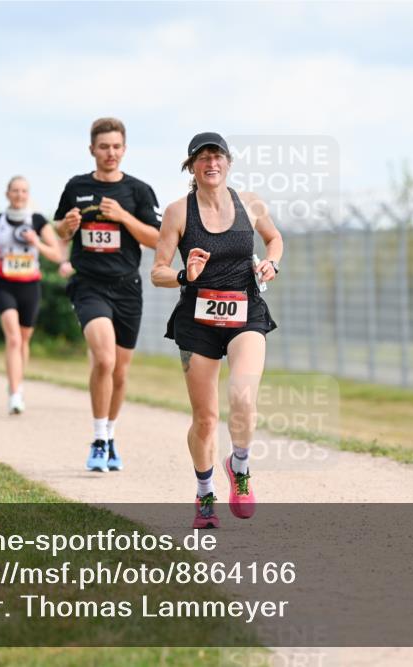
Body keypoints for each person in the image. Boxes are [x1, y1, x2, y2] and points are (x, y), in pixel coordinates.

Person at [151, 132, 282, 528]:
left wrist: (272, 264)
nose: (212, 163)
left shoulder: (251, 202)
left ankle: (239, 468)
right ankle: (204, 494)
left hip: (245, 313)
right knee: (205, 418)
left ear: (228, 162)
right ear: (191, 166)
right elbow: (157, 272)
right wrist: (182, 274)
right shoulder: (178, 212)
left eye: (218, 156)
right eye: (203, 158)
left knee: (243, 393)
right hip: (197, 321)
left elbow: (274, 239)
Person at [54, 117, 162, 472]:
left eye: (116, 146)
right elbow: (59, 231)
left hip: (127, 287)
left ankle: (111, 435)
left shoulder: (139, 191)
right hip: (89, 284)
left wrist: (124, 218)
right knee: (103, 360)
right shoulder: (76, 186)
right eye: (104, 147)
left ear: (125, 149)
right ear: (92, 150)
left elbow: (158, 239)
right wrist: (66, 227)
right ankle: (98, 439)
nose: (110, 153)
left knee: (120, 373)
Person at [0, 176, 63, 414]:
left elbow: (56, 254)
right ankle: (14, 393)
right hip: (4, 284)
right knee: (13, 338)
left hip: (30, 287)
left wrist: (37, 242)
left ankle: (18, 383)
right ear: (7, 194)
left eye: (23, 191)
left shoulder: (37, 221)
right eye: (15, 190)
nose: (19, 195)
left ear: (28, 195)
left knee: (24, 340)